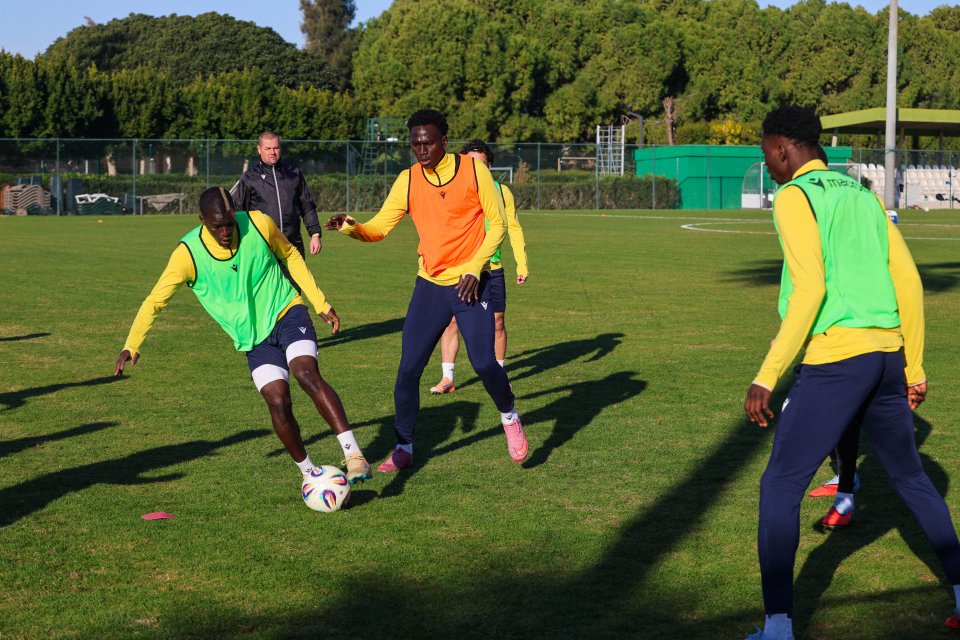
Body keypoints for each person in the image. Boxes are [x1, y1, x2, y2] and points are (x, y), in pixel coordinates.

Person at [742, 105, 960, 639]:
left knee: (780, 486)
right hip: (886, 358)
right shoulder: (864, 195)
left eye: (767, 153)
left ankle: (777, 628)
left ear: (783, 149)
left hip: (837, 360)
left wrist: (767, 374)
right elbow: (908, 282)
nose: (767, 164)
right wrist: (913, 366)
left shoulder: (794, 196)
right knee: (911, 478)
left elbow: (811, 288)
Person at [114, 187, 371, 486]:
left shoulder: (259, 223)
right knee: (277, 400)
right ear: (202, 220)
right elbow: (155, 301)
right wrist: (132, 344)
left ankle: (354, 456)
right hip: (254, 338)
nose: (225, 231)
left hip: (286, 310)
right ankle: (309, 473)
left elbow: (289, 253)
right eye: (217, 226)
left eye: (229, 223)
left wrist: (319, 301)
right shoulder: (187, 254)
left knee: (305, 373)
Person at [324, 109, 528, 472]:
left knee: (484, 363)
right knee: (408, 370)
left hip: (471, 283)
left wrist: (474, 266)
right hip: (430, 285)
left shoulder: (473, 170)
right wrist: (350, 226)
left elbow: (497, 225)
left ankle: (509, 415)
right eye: (415, 144)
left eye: (428, 143)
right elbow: (379, 228)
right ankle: (403, 446)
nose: (421, 150)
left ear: (444, 141)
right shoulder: (408, 180)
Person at [429, 139, 528, 395]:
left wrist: (522, 263)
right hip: (460, 268)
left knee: (497, 322)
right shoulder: (454, 190)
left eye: (481, 164)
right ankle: (447, 378)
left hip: (492, 268)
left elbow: (513, 228)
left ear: (490, 166)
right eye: (471, 163)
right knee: (451, 321)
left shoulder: (501, 192)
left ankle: (499, 376)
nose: (475, 169)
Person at [231, 131, 323, 259]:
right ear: (259, 149)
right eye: (268, 148)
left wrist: (315, 234)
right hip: (262, 248)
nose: (272, 152)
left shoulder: (294, 174)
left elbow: (307, 206)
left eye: (276, 148)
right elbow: (239, 212)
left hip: (292, 246)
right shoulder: (250, 177)